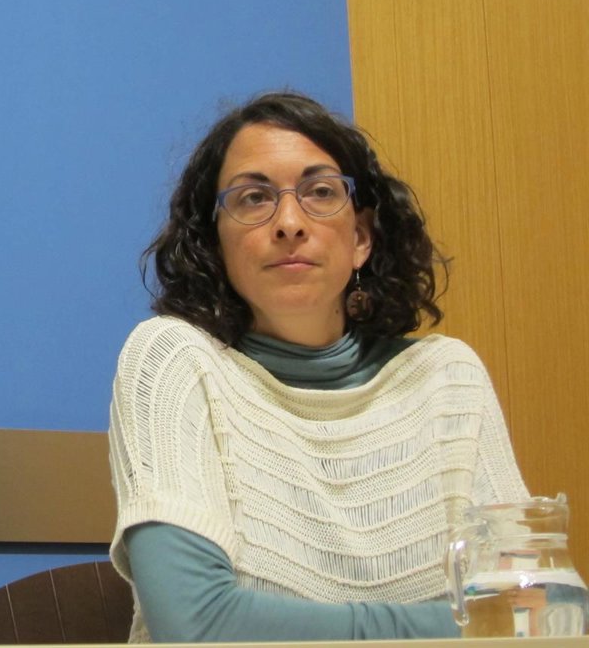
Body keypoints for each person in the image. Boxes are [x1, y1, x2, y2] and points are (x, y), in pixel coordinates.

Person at [108, 90, 529, 642]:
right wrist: (461, 625)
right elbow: (198, 626)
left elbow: (531, 611)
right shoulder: (172, 360)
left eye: (321, 192)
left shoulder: (447, 377)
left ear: (361, 238)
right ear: (216, 243)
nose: (289, 222)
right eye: (253, 198)